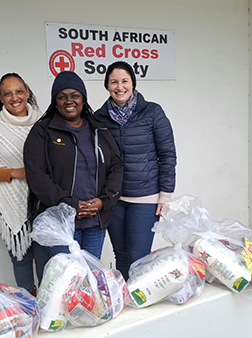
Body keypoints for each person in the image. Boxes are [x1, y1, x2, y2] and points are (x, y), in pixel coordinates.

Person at [23, 71, 123, 259]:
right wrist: (71, 205)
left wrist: (104, 201)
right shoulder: (43, 131)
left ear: (83, 99)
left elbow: (116, 166)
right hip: (61, 224)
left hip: (95, 221)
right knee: (66, 281)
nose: (69, 101)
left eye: (75, 95)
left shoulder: (98, 129)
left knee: (90, 279)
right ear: (55, 102)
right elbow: (36, 176)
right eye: (62, 97)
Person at [95, 61, 177, 280]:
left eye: (124, 81)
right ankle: (126, 301)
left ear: (133, 83)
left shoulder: (152, 112)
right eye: (114, 82)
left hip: (145, 198)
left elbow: (167, 154)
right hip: (114, 198)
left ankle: (141, 299)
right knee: (121, 255)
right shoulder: (99, 117)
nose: (119, 87)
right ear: (107, 86)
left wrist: (165, 194)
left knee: (139, 257)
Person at [0, 73, 49, 296]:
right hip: (9, 202)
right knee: (21, 258)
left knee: (45, 257)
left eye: (19, 91)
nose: (15, 97)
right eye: (8, 93)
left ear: (27, 93)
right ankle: (28, 305)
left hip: (42, 201)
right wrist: (15, 173)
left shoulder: (44, 122)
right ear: (0, 98)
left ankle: (47, 304)